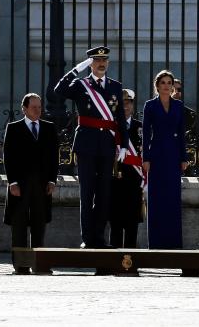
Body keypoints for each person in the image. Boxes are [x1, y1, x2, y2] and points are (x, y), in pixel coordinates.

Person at [54, 46, 128, 249]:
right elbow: (58, 90)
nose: (101, 64)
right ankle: (87, 238)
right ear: (91, 64)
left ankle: (99, 238)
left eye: (104, 60)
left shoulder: (115, 86)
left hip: (106, 145)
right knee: (87, 193)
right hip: (86, 144)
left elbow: (120, 118)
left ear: (108, 63)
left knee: (104, 192)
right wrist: (77, 69)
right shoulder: (80, 85)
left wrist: (123, 145)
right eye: (96, 61)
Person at [2, 93, 58, 275]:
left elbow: (53, 157)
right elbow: (8, 157)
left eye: (40, 107)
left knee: (39, 224)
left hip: (41, 185)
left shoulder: (49, 128)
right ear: (24, 109)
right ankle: (21, 265)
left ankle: (39, 263)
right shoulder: (14, 128)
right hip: (20, 185)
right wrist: (13, 182)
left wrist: (52, 180)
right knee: (19, 225)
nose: (37, 110)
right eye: (33, 107)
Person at [142, 70, 188, 249]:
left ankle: (174, 244)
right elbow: (146, 133)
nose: (167, 86)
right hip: (157, 154)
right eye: (163, 83)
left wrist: (184, 157)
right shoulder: (150, 106)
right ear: (157, 85)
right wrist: (145, 158)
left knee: (172, 199)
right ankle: (156, 243)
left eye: (169, 83)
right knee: (157, 199)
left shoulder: (178, 106)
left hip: (174, 155)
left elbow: (182, 133)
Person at [109, 88, 144, 249]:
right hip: (114, 181)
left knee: (132, 223)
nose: (125, 107)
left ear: (133, 106)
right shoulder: (111, 127)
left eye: (128, 103)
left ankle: (131, 262)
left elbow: (145, 155)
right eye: (122, 103)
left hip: (134, 180)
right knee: (115, 222)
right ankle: (114, 261)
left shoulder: (140, 128)